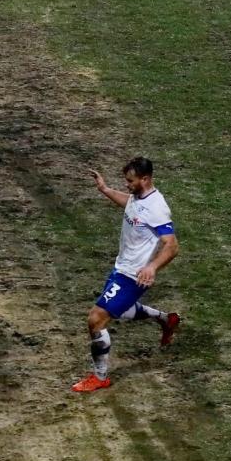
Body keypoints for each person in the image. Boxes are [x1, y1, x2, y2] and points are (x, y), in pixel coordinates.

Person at [73, 157, 182, 392]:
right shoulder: (138, 198)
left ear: (145, 179)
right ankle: (166, 319)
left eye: (130, 181)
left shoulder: (157, 208)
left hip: (135, 276)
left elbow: (172, 245)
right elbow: (131, 206)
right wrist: (105, 190)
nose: (127, 185)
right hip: (121, 267)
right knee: (119, 309)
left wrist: (152, 267)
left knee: (96, 319)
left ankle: (100, 377)